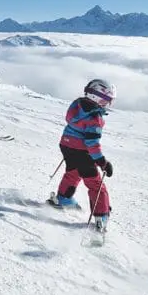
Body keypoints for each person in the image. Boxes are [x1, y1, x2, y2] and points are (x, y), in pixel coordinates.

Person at [50, 79, 116, 231]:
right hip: (82, 151)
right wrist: (102, 162)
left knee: (73, 172)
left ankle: (64, 198)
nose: (107, 104)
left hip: (66, 145)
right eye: (106, 100)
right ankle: (101, 216)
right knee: (95, 184)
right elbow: (92, 143)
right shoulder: (95, 119)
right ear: (96, 97)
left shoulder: (77, 105)